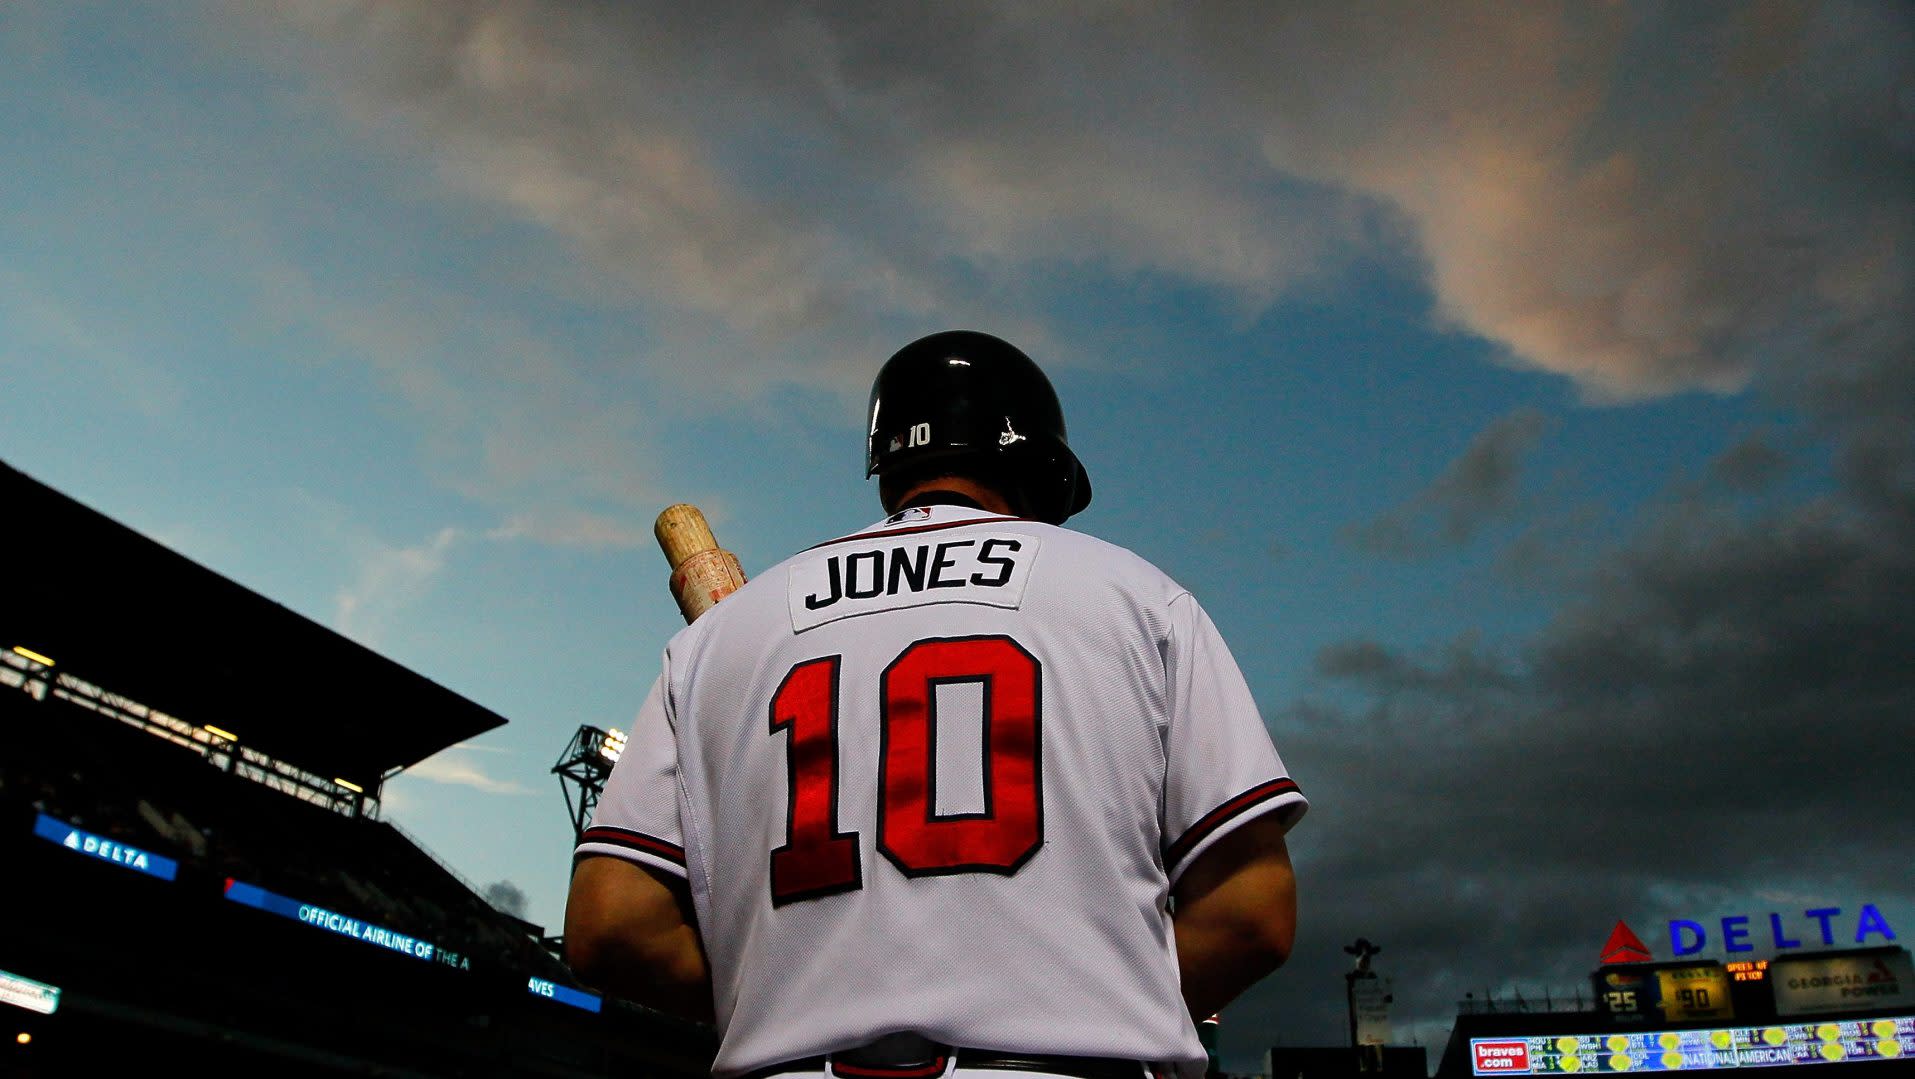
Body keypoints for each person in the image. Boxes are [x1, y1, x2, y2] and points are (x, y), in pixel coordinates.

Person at [566, 330, 1306, 1079]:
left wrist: (776, 998)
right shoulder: (1138, 597)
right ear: (1038, 468)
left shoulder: (727, 635)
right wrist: (1110, 1005)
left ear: (887, 470)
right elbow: (1250, 912)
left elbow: (611, 926)